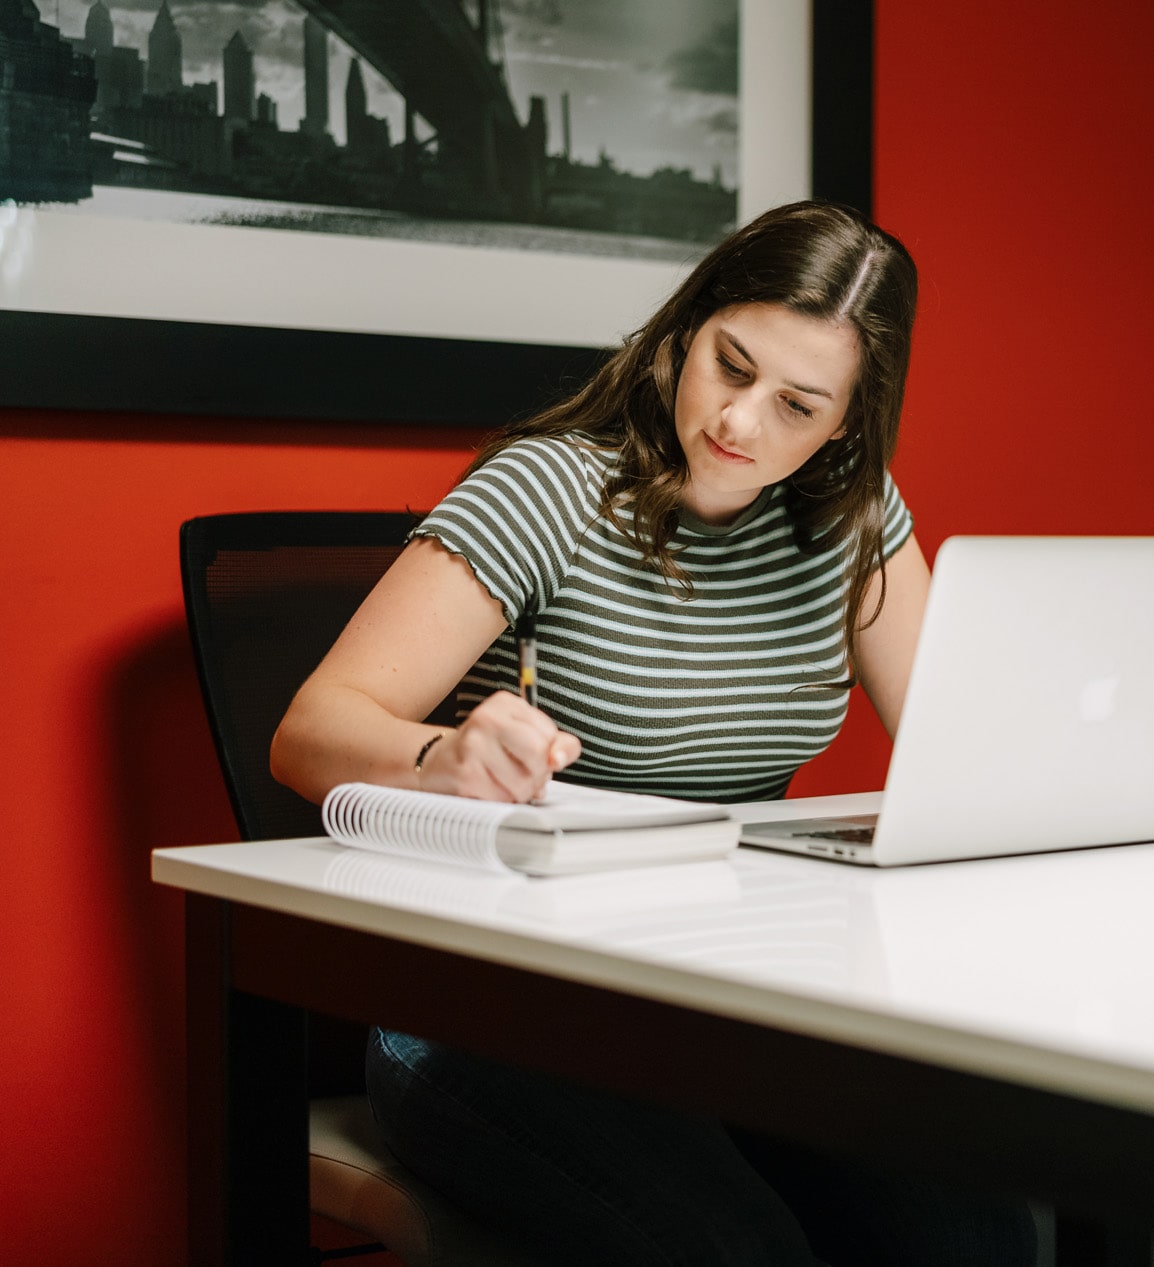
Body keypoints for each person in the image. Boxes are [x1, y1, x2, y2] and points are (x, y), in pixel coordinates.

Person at [271, 201, 1038, 1266]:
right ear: (687, 329)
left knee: (978, 1235)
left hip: (724, 1003)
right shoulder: (548, 490)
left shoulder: (854, 521)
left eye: (797, 404)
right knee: (745, 1249)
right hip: (489, 1013)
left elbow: (966, 762)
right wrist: (436, 757)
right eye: (730, 365)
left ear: (845, 426)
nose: (741, 422)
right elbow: (310, 730)